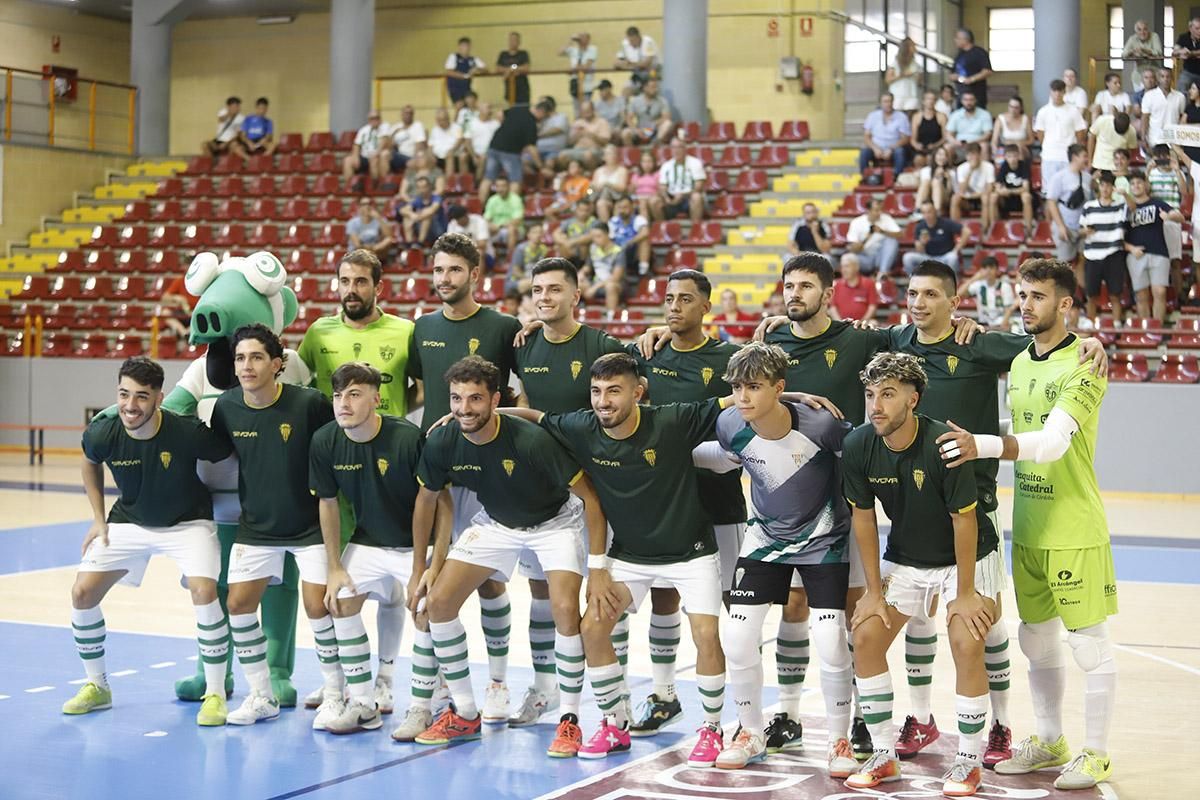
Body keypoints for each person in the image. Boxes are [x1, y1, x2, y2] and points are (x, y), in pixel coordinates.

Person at [500, 353, 734, 765]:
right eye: (596, 391)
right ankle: (614, 723)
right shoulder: (582, 426)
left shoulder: (673, 420)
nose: (602, 401)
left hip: (691, 553)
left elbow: (735, 401)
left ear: (638, 393)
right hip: (630, 556)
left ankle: (712, 729)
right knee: (592, 628)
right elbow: (536, 416)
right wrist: (483, 413)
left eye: (613, 390)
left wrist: (798, 395)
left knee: (705, 636)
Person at [936, 258, 1117, 791]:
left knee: (1089, 645)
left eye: (1037, 296)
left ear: (1064, 304)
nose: (1025, 304)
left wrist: (981, 446)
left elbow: (1052, 442)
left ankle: (1099, 753)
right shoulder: (1019, 363)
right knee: (1036, 641)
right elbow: (1022, 424)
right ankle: (1051, 740)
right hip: (1030, 524)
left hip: (1074, 527)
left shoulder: (1085, 364)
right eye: (1022, 294)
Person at [410, 356, 605, 758]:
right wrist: (423, 568)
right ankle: (464, 712)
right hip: (496, 523)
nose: (464, 409)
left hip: (555, 522)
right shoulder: (443, 440)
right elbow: (427, 499)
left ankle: (569, 720)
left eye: (475, 399)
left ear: (496, 399)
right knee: (438, 603)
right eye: (456, 399)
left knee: (565, 609)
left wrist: (599, 568)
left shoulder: (532, 441)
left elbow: (589, 496)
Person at [841, 352, 1002, 797]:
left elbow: (964, 521)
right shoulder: (858, 446)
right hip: (907, 558)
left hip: (966, 558)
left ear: (913, 399)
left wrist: (965, 593)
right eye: (871, 394)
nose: (876, 405)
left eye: (888, 395)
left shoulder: (942, 445)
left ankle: (969, 760)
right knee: (867, 635)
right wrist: (873, 592)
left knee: (967, 641)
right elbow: (863, 518)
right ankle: (883, 754)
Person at [698, 343, 857, 778]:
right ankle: (751, 733)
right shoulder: (730, 423)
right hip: (764, 539)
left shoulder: (823, 425)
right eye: (736, 387)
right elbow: (729, 459)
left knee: (830, 640)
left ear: (780, 388)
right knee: (736, 635)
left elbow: (858, 465)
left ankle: (839, 739)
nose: (742, 396)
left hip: (825, 540)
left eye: (753, 387)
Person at [63, 357, 233, 725]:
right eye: (124, 394)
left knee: (205, 592)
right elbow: (89, 461)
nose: (130, 405)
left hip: (189, 523)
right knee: (82, 593)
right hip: (129, 521)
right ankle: (98, 687)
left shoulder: (186, 431)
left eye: (141, 397)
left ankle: (216, 694)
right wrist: (97, 516)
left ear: (159, 397)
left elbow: (227, 454)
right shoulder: (102, 432)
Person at [623, 274, 748, 736]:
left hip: (719, 499)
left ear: (707, 307)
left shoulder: (728, 359)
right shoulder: (646, 355)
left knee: (735, 609)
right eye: (669, 298)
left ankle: (743, 710)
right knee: (663, 597)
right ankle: (663, 696)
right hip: (663, 502)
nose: (674, 307)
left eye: (686, 300)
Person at [405, 234, 523, 724]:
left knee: (491, 583)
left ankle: (496, 683)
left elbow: (518, 393)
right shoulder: (423, 328)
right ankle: (431, 690)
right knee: (431, 583)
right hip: (438, 475)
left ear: (475, 275)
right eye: (438, 270)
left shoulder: (504, 326)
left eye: (454, 270)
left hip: (489, 472)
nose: (444, 279)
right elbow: (417, 392)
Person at [508, 259, 625, 726]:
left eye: (555, 289)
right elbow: (517, 404)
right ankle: (545, 688)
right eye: (538, 290)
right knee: (544, 595)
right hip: (541, 490)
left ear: (577, 296)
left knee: (605, 597)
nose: (545, 297)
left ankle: (614, 698)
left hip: (596, 490)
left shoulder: (601, 345)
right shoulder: (523, 344)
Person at [309, 362, 448, 736]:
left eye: (354, 394)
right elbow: (327, 503)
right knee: (340, 599)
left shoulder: (406, 438)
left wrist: (426, 564)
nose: (344, 404)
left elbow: (439, 501)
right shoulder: (325, 440)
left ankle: (421, 707)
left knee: (425, 608)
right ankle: (363, 704)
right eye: (338, 396)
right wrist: (334, 566)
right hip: (369, 539)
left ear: (376, 398)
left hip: (416, 543)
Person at [213, 324, 338, 727]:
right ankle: (261, 695)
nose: (246, 365)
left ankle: (337, 695)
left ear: (277, 364)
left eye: (256, 357)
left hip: (309, 525)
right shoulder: (226, 407)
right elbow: (212, 455)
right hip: (257, 527)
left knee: (320, 608)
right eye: (240, 358)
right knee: (238, 605)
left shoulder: (310, 404)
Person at [297, 249, 415, 419]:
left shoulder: (406, 331)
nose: (351, 290)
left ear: (378, 287)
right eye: (345, 281)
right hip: (331, 437)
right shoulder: (318, 332)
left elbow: (424, 388)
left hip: (388, 439)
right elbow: (299, 382)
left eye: (360, 282)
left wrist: (392, 411)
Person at [1125, 170, 1184, 321]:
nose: (1136, 186)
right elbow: (1116, 236)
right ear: (1129, 187)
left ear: (1145, 184)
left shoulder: (1157, 203)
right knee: (1141, 295)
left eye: (1139, 182)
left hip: (1159, 253)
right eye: (1132, 183)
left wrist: (1169, 216)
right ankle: (1146, 332)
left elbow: (1180, 217)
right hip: (1135, 255)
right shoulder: (1125, 208)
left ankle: (1157, 330)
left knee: (1160, 292)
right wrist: (1131, 248)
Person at [1078, 171, 1129, 319]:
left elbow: (1132, 208)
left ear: (1113, 188)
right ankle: (1090, 327)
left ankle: (1117, 326)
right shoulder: (1089, 206)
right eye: (1103, 185)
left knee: (1115, 295)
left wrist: (1125, 194)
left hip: (1113, 254)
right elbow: (1081, 230)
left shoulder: (1120, 206)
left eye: (1108, 186)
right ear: (1099, 187)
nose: (1105, 189)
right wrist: (1085, 231)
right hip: (1092, 255)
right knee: (1091, 296)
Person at [479, 101, 546, 198]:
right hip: (510, 152)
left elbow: (500, 114)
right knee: (515, 181)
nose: (542, 120)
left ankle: (481, 210)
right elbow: (531, 148)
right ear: (541, 112)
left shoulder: (518, 109)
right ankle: (512, 209)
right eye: (544, 116)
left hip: (494, 146)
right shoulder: (531, 123)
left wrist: (506, 126)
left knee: (488, 179)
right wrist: (541, 166)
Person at [1044, 144, 1093, 271]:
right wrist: (1060, 226)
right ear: (1074, 157)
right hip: (1066, 226)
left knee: (1083, 260)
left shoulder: (1088, 178)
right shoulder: (1059, 177)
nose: (1087, 159)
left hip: (1082, 228)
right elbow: (1051, 202)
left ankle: (1082, 290)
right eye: (1084, 156)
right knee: (1065, 265)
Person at [1035, 80, 1087, 183]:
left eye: (1060, 91)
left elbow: (1080, 132)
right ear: (1050, 92)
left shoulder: (1073, 111)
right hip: (1049, 155)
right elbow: (1040, 133)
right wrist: (1048, 145)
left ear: (1064, 92)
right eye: (1054, 91)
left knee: (1070, 188)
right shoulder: (1043, 112)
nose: (1057, 94)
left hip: (1068, 156)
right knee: (1049, 190)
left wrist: (1073, 149)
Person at [905, 199, 968, 275]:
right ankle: (914, 282)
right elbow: (919, 250)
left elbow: (967, 231)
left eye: (929, 212)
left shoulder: (946, 223)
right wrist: (922, 243)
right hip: (927, 257)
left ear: (935, 211)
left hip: (945, 256)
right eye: (924, 213)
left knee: (953, 257)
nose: (927, 215)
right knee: (907, 257)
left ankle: (952, 283)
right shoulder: (919, 226)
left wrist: (956, 249)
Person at [653, 138, 705, 224]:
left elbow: (699, 186)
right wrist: (666, 198)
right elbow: (662, 186)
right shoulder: (666, 165)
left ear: (685, 148)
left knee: (697, 197)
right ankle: (662, 231)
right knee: (654, 201)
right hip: (671, 197)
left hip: (688, 198)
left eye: (679, 147)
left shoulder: (695, 163)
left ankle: (696, 230)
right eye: (673, 147)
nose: (676, 150)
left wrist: (683, 195)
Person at [846, 196, 902, 275]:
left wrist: (882, 232)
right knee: (849, 257)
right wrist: (868, 237)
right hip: (865, 258)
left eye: (881, 210)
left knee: (892, 241)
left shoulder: (886, 218)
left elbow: (900, 234)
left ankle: (883, 273)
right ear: (868, 210)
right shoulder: (856, 222)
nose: (879, 213)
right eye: (876, 210)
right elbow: (853, 249)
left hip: (882, 257)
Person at [860, 92, 912, 174]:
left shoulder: (901, 117)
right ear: (880, 103)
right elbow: (866, 137)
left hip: (894, 148)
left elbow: (905, 138)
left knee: (900, 152)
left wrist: (891, 149)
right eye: (885, 101)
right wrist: (875, 148)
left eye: (890, 101)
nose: (888, 104)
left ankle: (896, 178)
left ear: (893, 102)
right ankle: (865, 177)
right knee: (864, 152)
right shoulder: (872, 116)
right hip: (876, 148)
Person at [581, 222, 625, 314]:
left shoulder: (618, 251)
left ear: (607, 235)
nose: (595, 240)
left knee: (610, 286)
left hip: (615, 285)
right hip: (595, 282)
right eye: (593, 237)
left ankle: (610, 318)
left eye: (598, 236)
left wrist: (594, 288)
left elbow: (615, 277)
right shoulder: (593, 248)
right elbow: (587, 267)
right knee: (575, 284)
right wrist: (579, 274)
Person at [961, 256, 1017, 328]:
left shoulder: (1005, 286)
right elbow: (960, 293)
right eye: (985, 268)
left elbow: (1008, 310)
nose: (988, 271)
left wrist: (1001, 327)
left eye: (991, 268)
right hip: (983, 324)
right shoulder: (978, 285)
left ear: (997, 270)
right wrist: (974, 278)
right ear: (981, 270)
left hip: (1000, 324)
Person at [991, 144, 1034, 234]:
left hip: (1020, 198)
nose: (1013, 159)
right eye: (1009, 156)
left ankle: (1028, 229)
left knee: (1026, 196)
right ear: (1005, 157)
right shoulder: (1004, 166)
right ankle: (995, 228)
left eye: (1015, 156)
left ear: (1018, 156)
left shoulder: (1024, 166)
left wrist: (1009, 191)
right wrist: (1000, 191)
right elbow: (997, 186)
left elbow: (1026, 188)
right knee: (993, 196)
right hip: (1007, 198)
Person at [951, 142, 995, 231]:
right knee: (955, 198)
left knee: (985, 198)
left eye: (974, 154)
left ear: (980, 154)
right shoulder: (961, 168)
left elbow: (990, 188)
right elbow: (962, 190)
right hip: (967, 198)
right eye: (969, 155)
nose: (971, 158)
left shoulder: (989, 166)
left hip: (982, 196)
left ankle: (984, 229)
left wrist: (975, 195)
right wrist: (970, 171)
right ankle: (955, 229)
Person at [1140, 67, 1185, 150]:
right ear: (1158, 78)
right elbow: (1145, 118)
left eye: (1168, 76)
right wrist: (1143, 138)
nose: (1165, 79)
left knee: (1173, 163)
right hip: (1154, 140)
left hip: (1173, 141)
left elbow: (1182, 118)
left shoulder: (1180, 97)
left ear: (1172, 78)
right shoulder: (1149, 96)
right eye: (1162, 76)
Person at [558, 101, 611, 171]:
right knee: (562, 155)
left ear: (593, 110)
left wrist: (591, 135)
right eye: (584, 111)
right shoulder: (577, 123)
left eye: (588, 110)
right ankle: (568, 177)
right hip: (577, 150)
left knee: (588, 155)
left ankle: (591, 175)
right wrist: (577, 135)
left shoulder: (602, 122)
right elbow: (570, 143)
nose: (586, 113)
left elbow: (605, 142)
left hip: (596, 150)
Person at [608, 194, 651, 277]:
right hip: (616, 252)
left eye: (625, 207)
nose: (622, 210)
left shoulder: (638, 219)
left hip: (632, 252)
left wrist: (629, 242)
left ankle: (643, 272)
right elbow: (609, 238)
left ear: (632, 207)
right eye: (620, 208)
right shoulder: (613, 221)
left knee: (644, 241)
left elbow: (645, 232)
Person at [621, 78, 674, 146]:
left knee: (668, 123)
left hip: (655, 130)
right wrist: (636, 130)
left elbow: (667, 117)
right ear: (645, 88)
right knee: (625, 133)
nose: (655, 89)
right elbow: (629, 119)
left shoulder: (662, 101)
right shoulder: (635, 101)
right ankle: (632, 153)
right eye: (652, 87)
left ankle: (655, 145)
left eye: (656, 87)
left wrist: (654, 124)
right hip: (640, 129)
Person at [343, 110, 390, 183]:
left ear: (380, 119)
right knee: (348, 160)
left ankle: (375, 185)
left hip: (377, 155)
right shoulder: (363, 130)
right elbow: (357, 144)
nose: (374, 120)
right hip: (364, 156)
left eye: (376, 118)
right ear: (368, 120)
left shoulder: (385, 126)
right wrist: (355, 156)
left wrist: (376, 153)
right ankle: (350, 186)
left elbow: (385, 141)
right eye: (372, 118)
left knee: (374, 159)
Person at [831, 253, 880, 321]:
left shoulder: (869, 283)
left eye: (847, 266)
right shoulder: (836, 285)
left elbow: (872, 307)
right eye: (842, 267)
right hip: (841, 325)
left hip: (864, 325)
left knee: (874, 323)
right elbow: (832, 307)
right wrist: (840, 323)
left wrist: (862, 323)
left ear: (856, 267)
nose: (844, 270)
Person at [400, 176, 448, 247]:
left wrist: (416, 217)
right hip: (423, 230)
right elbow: (402, 210)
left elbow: (432, 211)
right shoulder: (418, 199)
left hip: (438, 230)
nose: (422, 190)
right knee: (407, 217)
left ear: (429, 187)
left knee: (427, 217)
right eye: (419, 187)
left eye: (424, 187)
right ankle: (409, 244)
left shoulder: (436, 198)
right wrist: (411, 215)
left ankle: (420, 244)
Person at [946, 91, 993, 160]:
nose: (968, 103)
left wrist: (972, 142)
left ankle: (984, 170)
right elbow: (948, 134)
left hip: (977, 143)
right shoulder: (955, 114)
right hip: (959, 144)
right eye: (966, 100)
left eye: (971, 100)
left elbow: (987, 134)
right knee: (947, 147)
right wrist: (955, 142)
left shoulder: (984, 114)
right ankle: (948, 170)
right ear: (962, 101)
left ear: (975, 100)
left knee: (984, 146)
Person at [447, 203, 493, 271]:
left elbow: (482, 244)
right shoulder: (452, 224)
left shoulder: (479, 221)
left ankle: (478, 281)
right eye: (456, 220)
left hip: (486, 257)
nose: (458, 222)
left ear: (466, 216)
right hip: (462, 255)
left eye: (459, 220)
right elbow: (450, 245)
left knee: (479, 253)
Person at [953, 28, 992, 108]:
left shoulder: (979, 53)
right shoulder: (959, 55)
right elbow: (953, 72)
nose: (955, 40)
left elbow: (987, 71)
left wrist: (971, 79)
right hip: (961, 97)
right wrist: (954, 77)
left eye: (957, 38)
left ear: (965, 39)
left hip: (977, 96)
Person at [614, 26, 660, 94]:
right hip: (637, 74)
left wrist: (629, 64)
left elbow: (646, 64)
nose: (631, 43)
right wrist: (625, 63)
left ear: (638, 37)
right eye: (629, 40)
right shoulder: (625, 43)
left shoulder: (648, 42)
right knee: (625, 92)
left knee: (650, 91)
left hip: (652, 73)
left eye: (633, 41)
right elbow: (616, 63)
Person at [552, 197, 598, 264]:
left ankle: (581, 266)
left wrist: (572, 242)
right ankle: (566, 266)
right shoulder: (569, 221)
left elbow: (591, 236)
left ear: (590, 211)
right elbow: (555, 233)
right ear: (576, 209)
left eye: (586, 210)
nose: (584, 213)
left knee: (583, 244)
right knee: (559, 242)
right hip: (570, 249)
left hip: (586, 250)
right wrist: (565, 242)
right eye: (581, 210)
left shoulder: (594, 221)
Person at [460, 100, 500, 178]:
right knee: (462, 157)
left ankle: (477, 184)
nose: (491, 110)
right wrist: (474, 156)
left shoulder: (496, 124)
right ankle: (465, 183)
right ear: (480, 110)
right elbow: (467, 142)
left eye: (491, 108)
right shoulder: (471, 123)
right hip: (473, 152)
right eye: (488, 108)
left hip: (488, 153)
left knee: (483, 158)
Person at [483, 175, 525, 249]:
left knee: (512, 229)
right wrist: (490, 225)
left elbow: (517, 220)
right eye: (498, 186)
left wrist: (499, 226)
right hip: (496, 230)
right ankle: (491, 257)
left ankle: (510, 258)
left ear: (508, 187)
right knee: (483, 229)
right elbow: (486, 219)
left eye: (503, 186)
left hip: (514, 230)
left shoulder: (516, 199)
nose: (500, 189)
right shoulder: (492, 200)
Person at [444, 37, 486, 107]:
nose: (465, 48)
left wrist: (477, 69)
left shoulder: (473, 59)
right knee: (459, 106)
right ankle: (456, 118)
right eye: (463, 46)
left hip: (467, 88)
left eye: (467, 46)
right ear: (459, 47)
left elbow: (486, 69)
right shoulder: (454, 57)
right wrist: (465, 76)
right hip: (455, 88)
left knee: (471, 104)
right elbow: (448, 72)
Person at [910, 90, 948, 168]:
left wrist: (935, 145)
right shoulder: (916, 117)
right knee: (919, 159)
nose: (930, 101)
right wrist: (917, 145)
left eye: (933, 99)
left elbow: (945, 137)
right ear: (923, 101)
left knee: (930, 158)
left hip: (936, 147)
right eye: (928, 99)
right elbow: (913, 139)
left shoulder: (941, 116)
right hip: (921, 148)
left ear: (935, 101)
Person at [592, 144, 630, 221]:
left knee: (616, 204)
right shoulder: (598, 171)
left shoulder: (622, 170)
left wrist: (608, 184)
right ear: (604, 157)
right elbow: (592, 188)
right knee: (600, 203)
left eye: (614, 153)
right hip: (600, 197)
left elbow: (623, 188)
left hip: (617, 198)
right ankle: (605, 228)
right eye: (609, 153)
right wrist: (594, 187)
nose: (612, 156)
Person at [385, 105, 427, 175]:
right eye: (406, 113)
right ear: (401, 114)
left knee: (412, 162)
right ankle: (386, 181)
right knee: (384, 154)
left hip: (410, 156)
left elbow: (419, 145)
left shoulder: (417, 126)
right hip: (398, 155)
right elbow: (388, 147)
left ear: (413, 115)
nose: (408, 115)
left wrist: (415, 158)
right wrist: (394, 134)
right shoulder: (396, 127)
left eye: (410, 113)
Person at [916, 145, 956, 217]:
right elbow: (922, 188)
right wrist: (935, 176)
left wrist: (949, 180)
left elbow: (952, 192)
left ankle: (937, 212)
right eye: (940, 154)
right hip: (928, 198)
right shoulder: (925, 170)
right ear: (934, 156)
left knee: (936, 182)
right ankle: (917, 210)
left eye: (945, 155)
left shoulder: (951, 172)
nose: (942, 157)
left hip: (945, 199)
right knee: (926, 182)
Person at [508, 223, 547, 294]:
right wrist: (531, 279)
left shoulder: (544, 249)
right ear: (528, 235)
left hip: (534, 280)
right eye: (534, 232)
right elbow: (516, 271)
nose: (538, 235)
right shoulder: (521, 249)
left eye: (540, 232)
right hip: (516, 281)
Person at [560, 32, 598, 104]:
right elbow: (560, 52)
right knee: (576, 110)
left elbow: (586, 66)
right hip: (575, 84)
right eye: (580, 37)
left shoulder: (592, 49)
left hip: (586, 85)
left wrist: (573, 69)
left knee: (586, 106)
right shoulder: (574, 50)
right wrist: (571, 40)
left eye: (583, 37)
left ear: (588, 39)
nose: (581, 39)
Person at [991, 96, 1032, 163]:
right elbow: (994, 140)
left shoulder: (1025, 119)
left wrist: (1018, 143)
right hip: (1005, 148)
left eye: (1016, 108)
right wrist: (995, 150)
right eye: (1011, 106)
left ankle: (1019, 171)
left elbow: (1031, 140)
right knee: (1003, 155)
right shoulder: (1001, 118)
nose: (1013, 110)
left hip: (1022, 148)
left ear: (1021, 108)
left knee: (1018, 148)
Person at [1122, 19, 1163, 84]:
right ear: (1136, 32)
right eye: (1139, 30)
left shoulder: (1154, 36)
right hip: (1139, 72)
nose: (1142, 32)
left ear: (1148, 30)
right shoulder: (1132, 38)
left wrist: (1145, 50)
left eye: (1145, 29)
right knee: (1139, 92)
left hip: (1154, 71)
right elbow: (1124, 55)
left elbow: (1159, 52)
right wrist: (1132, 51)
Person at [535, 96, 571, 168]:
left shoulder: (561, 117)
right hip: (537, 150)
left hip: (553, 150)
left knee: (549, 163)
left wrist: (540, 135)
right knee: (524, 162)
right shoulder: (542, 120)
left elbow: (558, 129)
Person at [496, 31, 532, 105]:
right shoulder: (503, 54)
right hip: (509, 86)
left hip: (522, 88)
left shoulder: (523, 54)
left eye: (515, 40)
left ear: (519, 42)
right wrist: (511, 69)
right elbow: (498, 68)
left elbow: (526, 67)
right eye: (511, 40)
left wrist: (512, 68)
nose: (513, 42)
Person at [886, 38, 921, 111]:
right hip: (898, 95)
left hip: (911, 94)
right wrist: (902, 75)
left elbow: (919, 81)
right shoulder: (895, 63)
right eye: (912, 46)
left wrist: (918, 76)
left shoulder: (915, 64)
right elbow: (888, 79)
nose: (914, 48)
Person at [427, 108, 463, 174]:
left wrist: (452, 150)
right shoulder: (435, 129)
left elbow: (460, 141)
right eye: (438, 120)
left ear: (448, 118)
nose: (440, 122)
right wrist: (430, 155)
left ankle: (448, 182)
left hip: (453, 155)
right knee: (426, 158)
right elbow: (430, 145)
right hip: (437, 157)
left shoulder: (458, 127)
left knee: (449, 156)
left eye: (442, 120)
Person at [1173, 17, 1200, 98]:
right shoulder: (1184, 37)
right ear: (1190, 29)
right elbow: (1174, 51)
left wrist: (1190, 54)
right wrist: (1180, 51)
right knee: (1181, 87)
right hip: (1188, 72)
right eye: (1197, 28)